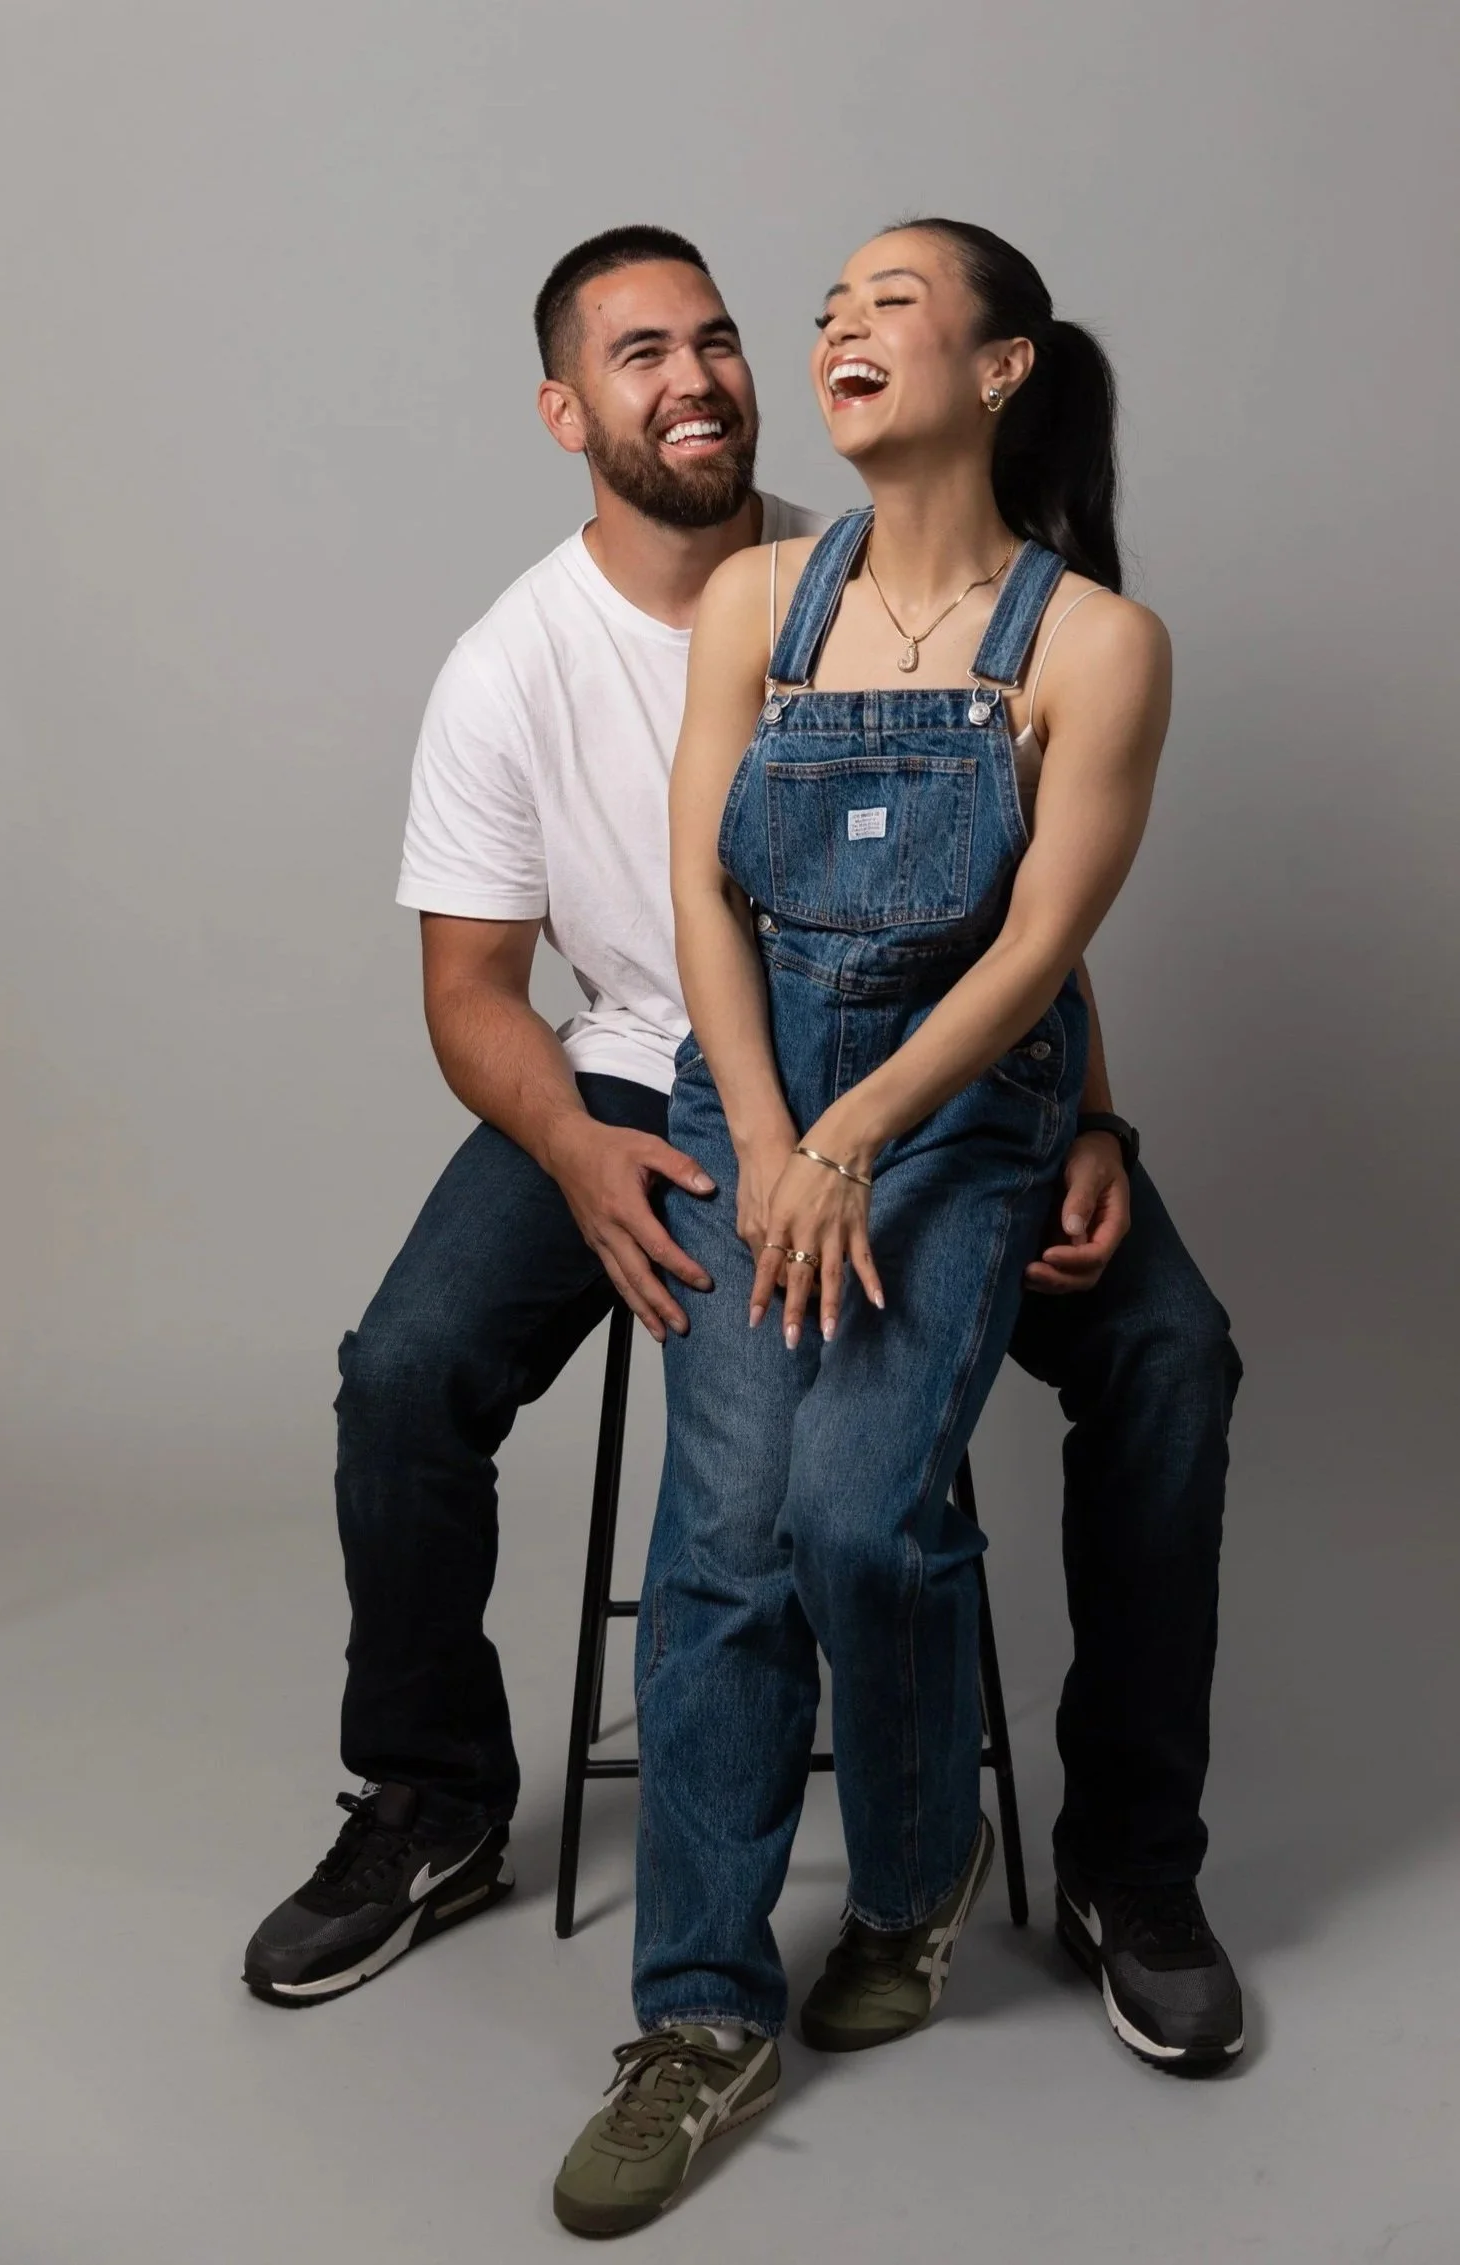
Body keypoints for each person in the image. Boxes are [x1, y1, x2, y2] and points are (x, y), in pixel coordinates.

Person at [241, 227, 1240, 2100]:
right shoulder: (517, 661)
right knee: (408, 1365)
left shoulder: (877, 557)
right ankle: (433, 1799)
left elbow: (1009, 913)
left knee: (1171, 1355)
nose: (698, 377)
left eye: (717, 340)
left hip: (947, 1090)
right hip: (638, 1080)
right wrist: (590, 1156)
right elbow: (471, 995)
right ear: (567, 412)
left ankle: (1129, 1861)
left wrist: (1087, 1115)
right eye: (640, 357)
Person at [552, 220, 1240, 2240]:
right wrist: (765, 1124)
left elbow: (1037, 948)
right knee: (732, 1543)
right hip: (751, 1091)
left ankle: (920, 1867)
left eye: (889, 299)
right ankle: (694, 2014)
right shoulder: (758, 597)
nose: (836, 324)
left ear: (1002, 365)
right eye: (825, 303)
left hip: (954, 1116)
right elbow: (702, 896)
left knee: (865, 1511)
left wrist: (858, 1126)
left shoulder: (1096, 645)